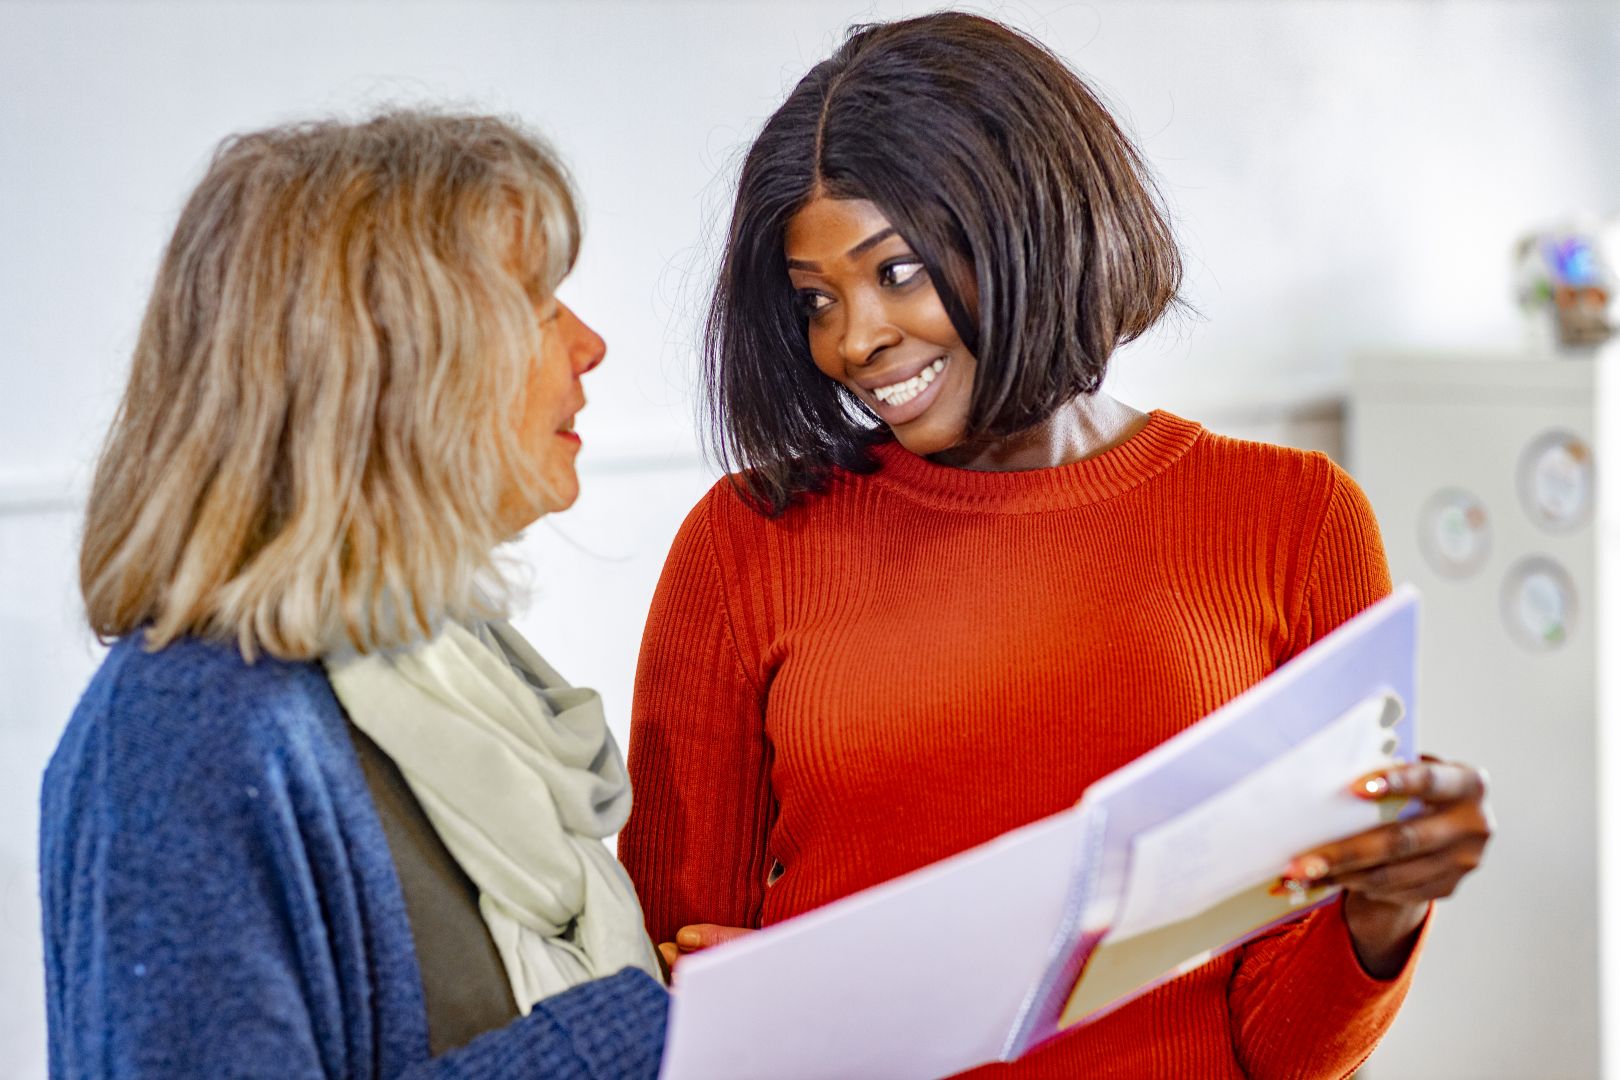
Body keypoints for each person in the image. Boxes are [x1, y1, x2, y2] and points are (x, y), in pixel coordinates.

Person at [618, 12, 1491, 1078]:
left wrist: (1385, 906)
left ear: (1028, 225)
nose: (853, 341)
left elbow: (1283, 1051)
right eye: (815, 300)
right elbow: (668, 973)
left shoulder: (1294, 521)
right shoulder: (745, 543)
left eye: (896, 272)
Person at [41, 111, 667, 1078]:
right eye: (541, 305)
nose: (591, 345)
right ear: (388, 363)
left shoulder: (446, 670)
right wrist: (629, 1040)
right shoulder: (182, 734)